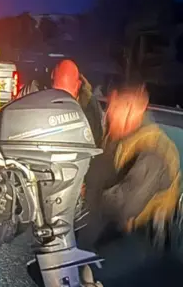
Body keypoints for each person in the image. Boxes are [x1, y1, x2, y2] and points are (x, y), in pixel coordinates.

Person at [79, 83, 180, 256]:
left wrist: (85, 197)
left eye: (114, 107)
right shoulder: (117, 136)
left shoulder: (155, 151)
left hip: (139, 243)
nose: (108, 112)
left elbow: (123, 206)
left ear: (133, 109)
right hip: (100, 225)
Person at [18, 60, 105, 147]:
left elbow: (98, 140)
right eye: (57, 92)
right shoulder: (33, 91)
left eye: (67, 96)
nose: (61, 99)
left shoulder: (91, 106)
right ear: (51, 81)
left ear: (78, 86)